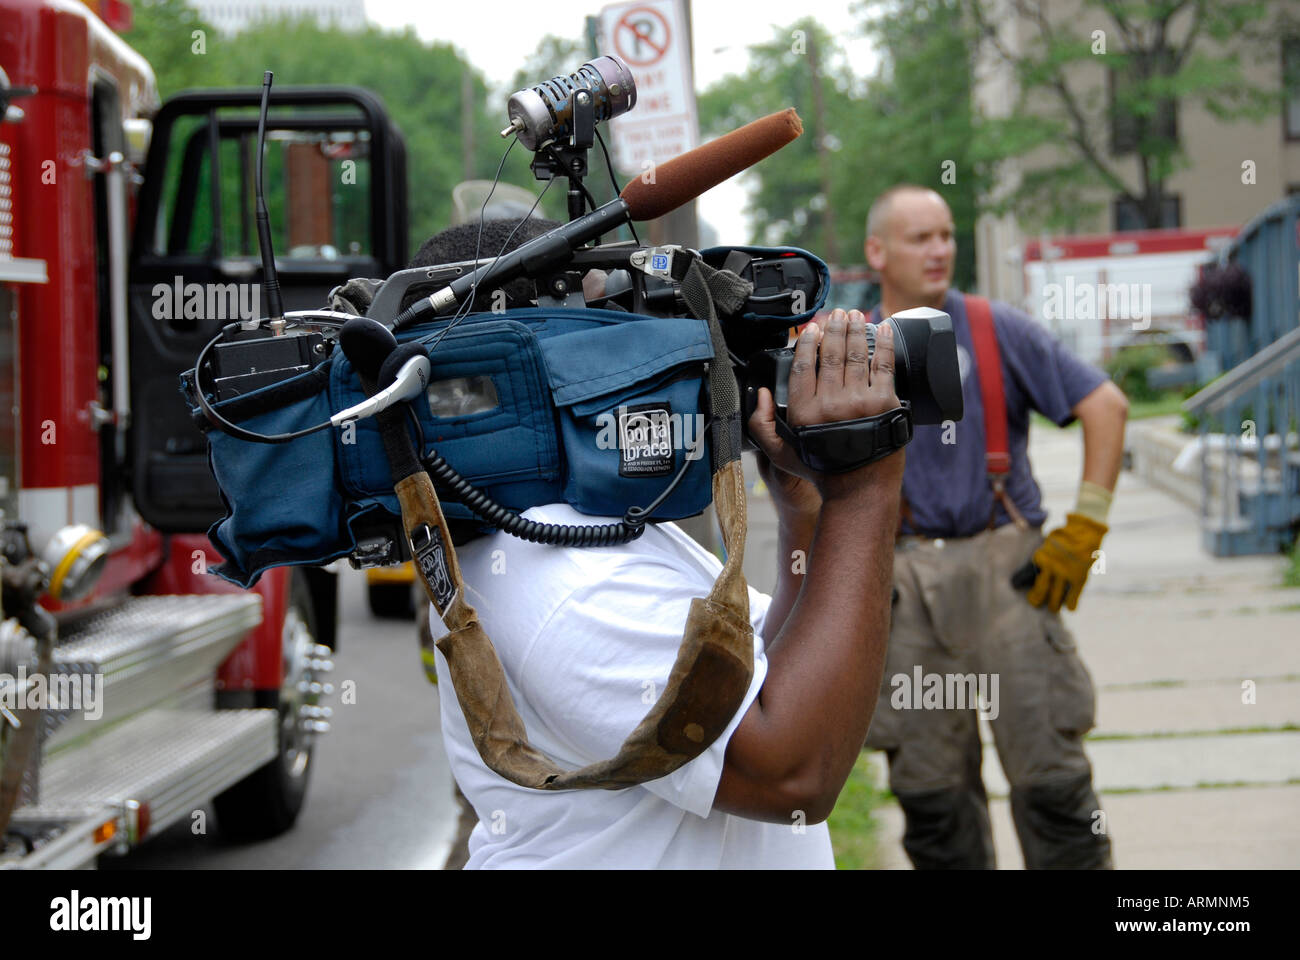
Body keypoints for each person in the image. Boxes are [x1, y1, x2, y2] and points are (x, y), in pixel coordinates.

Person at [418, 219, 908, 867]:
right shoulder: (567, 583)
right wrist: (865, 487)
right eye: (607, 319)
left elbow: (763, 672)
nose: (636, 345)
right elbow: (793, 771)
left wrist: (806, 511)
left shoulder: (569, 528)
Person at [860, 184, 1128, 869]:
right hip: (904, 584)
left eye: (946, 234)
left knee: (1054, 784)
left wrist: (1085, 530)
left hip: (1009, 572)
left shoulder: (992, 327)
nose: (940, 249)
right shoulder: (852, 344)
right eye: (921, 238)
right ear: (877, 251)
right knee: (934, 801)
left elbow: (1106, 405)